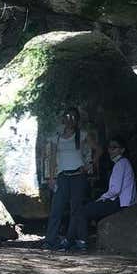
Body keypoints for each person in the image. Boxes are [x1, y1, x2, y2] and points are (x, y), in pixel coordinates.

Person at [42, 107, 100, 250]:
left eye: (74, 117)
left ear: (77, 120)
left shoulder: (82, 135)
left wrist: (90, 164)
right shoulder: (57, 137)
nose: (70, 119)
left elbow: (98, 149)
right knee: (57, 208)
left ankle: (77, 240)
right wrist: (51, 178)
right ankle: (50, 241)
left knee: (76, 209)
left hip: (78, 176)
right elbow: (52, 158)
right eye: (67, 116)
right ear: (63, 119)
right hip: (62, 176)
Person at [69, 135, 137, 251]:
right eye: (110, 147)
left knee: (82, 211)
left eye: (114, 147)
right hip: (121, 201)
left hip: (118, 202)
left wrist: (102, 198)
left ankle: (81, 242)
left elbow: (115, 190)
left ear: (122, 150)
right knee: (88, 208)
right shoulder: (124, 163)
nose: (111, 150)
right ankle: (72, 239)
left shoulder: (120, 164)